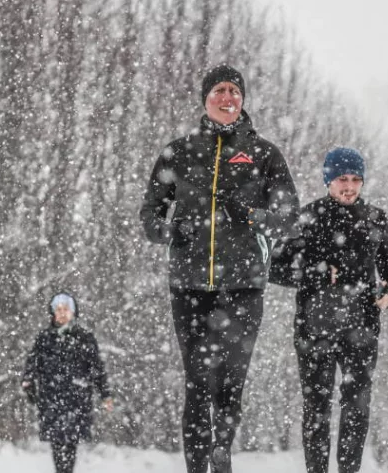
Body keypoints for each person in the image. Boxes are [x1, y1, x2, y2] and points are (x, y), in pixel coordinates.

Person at [140, 64, 299, 473]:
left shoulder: (264, 154)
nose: (227, 97)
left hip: (243, 288)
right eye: (219, 90)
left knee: (229, 384)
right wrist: (169, 229)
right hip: (189, 286)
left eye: (234, 91)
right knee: (197, 382)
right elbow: (149, 215)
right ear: (205, 98)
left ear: (243, 99)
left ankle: (222, 455)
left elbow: (288, 219)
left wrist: (250, 215)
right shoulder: (179, 151)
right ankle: (197, 466)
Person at [270, 147, 388, 473]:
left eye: (356, 179)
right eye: (342, 179)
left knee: (357, 408)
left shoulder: (375, 218)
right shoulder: (308, 217)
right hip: (315, 327)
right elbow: (274, 268)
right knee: (317, 408)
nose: (350, 186)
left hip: (361, 327)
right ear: (328, 179)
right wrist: (313, 272)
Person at [21, 293, 113, 473]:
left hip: (77, 398)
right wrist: (28, 381)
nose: (62, 313)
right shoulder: (45, 338)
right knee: (56, 442)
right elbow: (33, 362)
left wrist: (105, 394)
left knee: (71, 442)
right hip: (51, 397)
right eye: (58, 309)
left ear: (73, 312)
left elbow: (97, 368)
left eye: (66, 309)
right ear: (53, 313)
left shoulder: (85, 338)